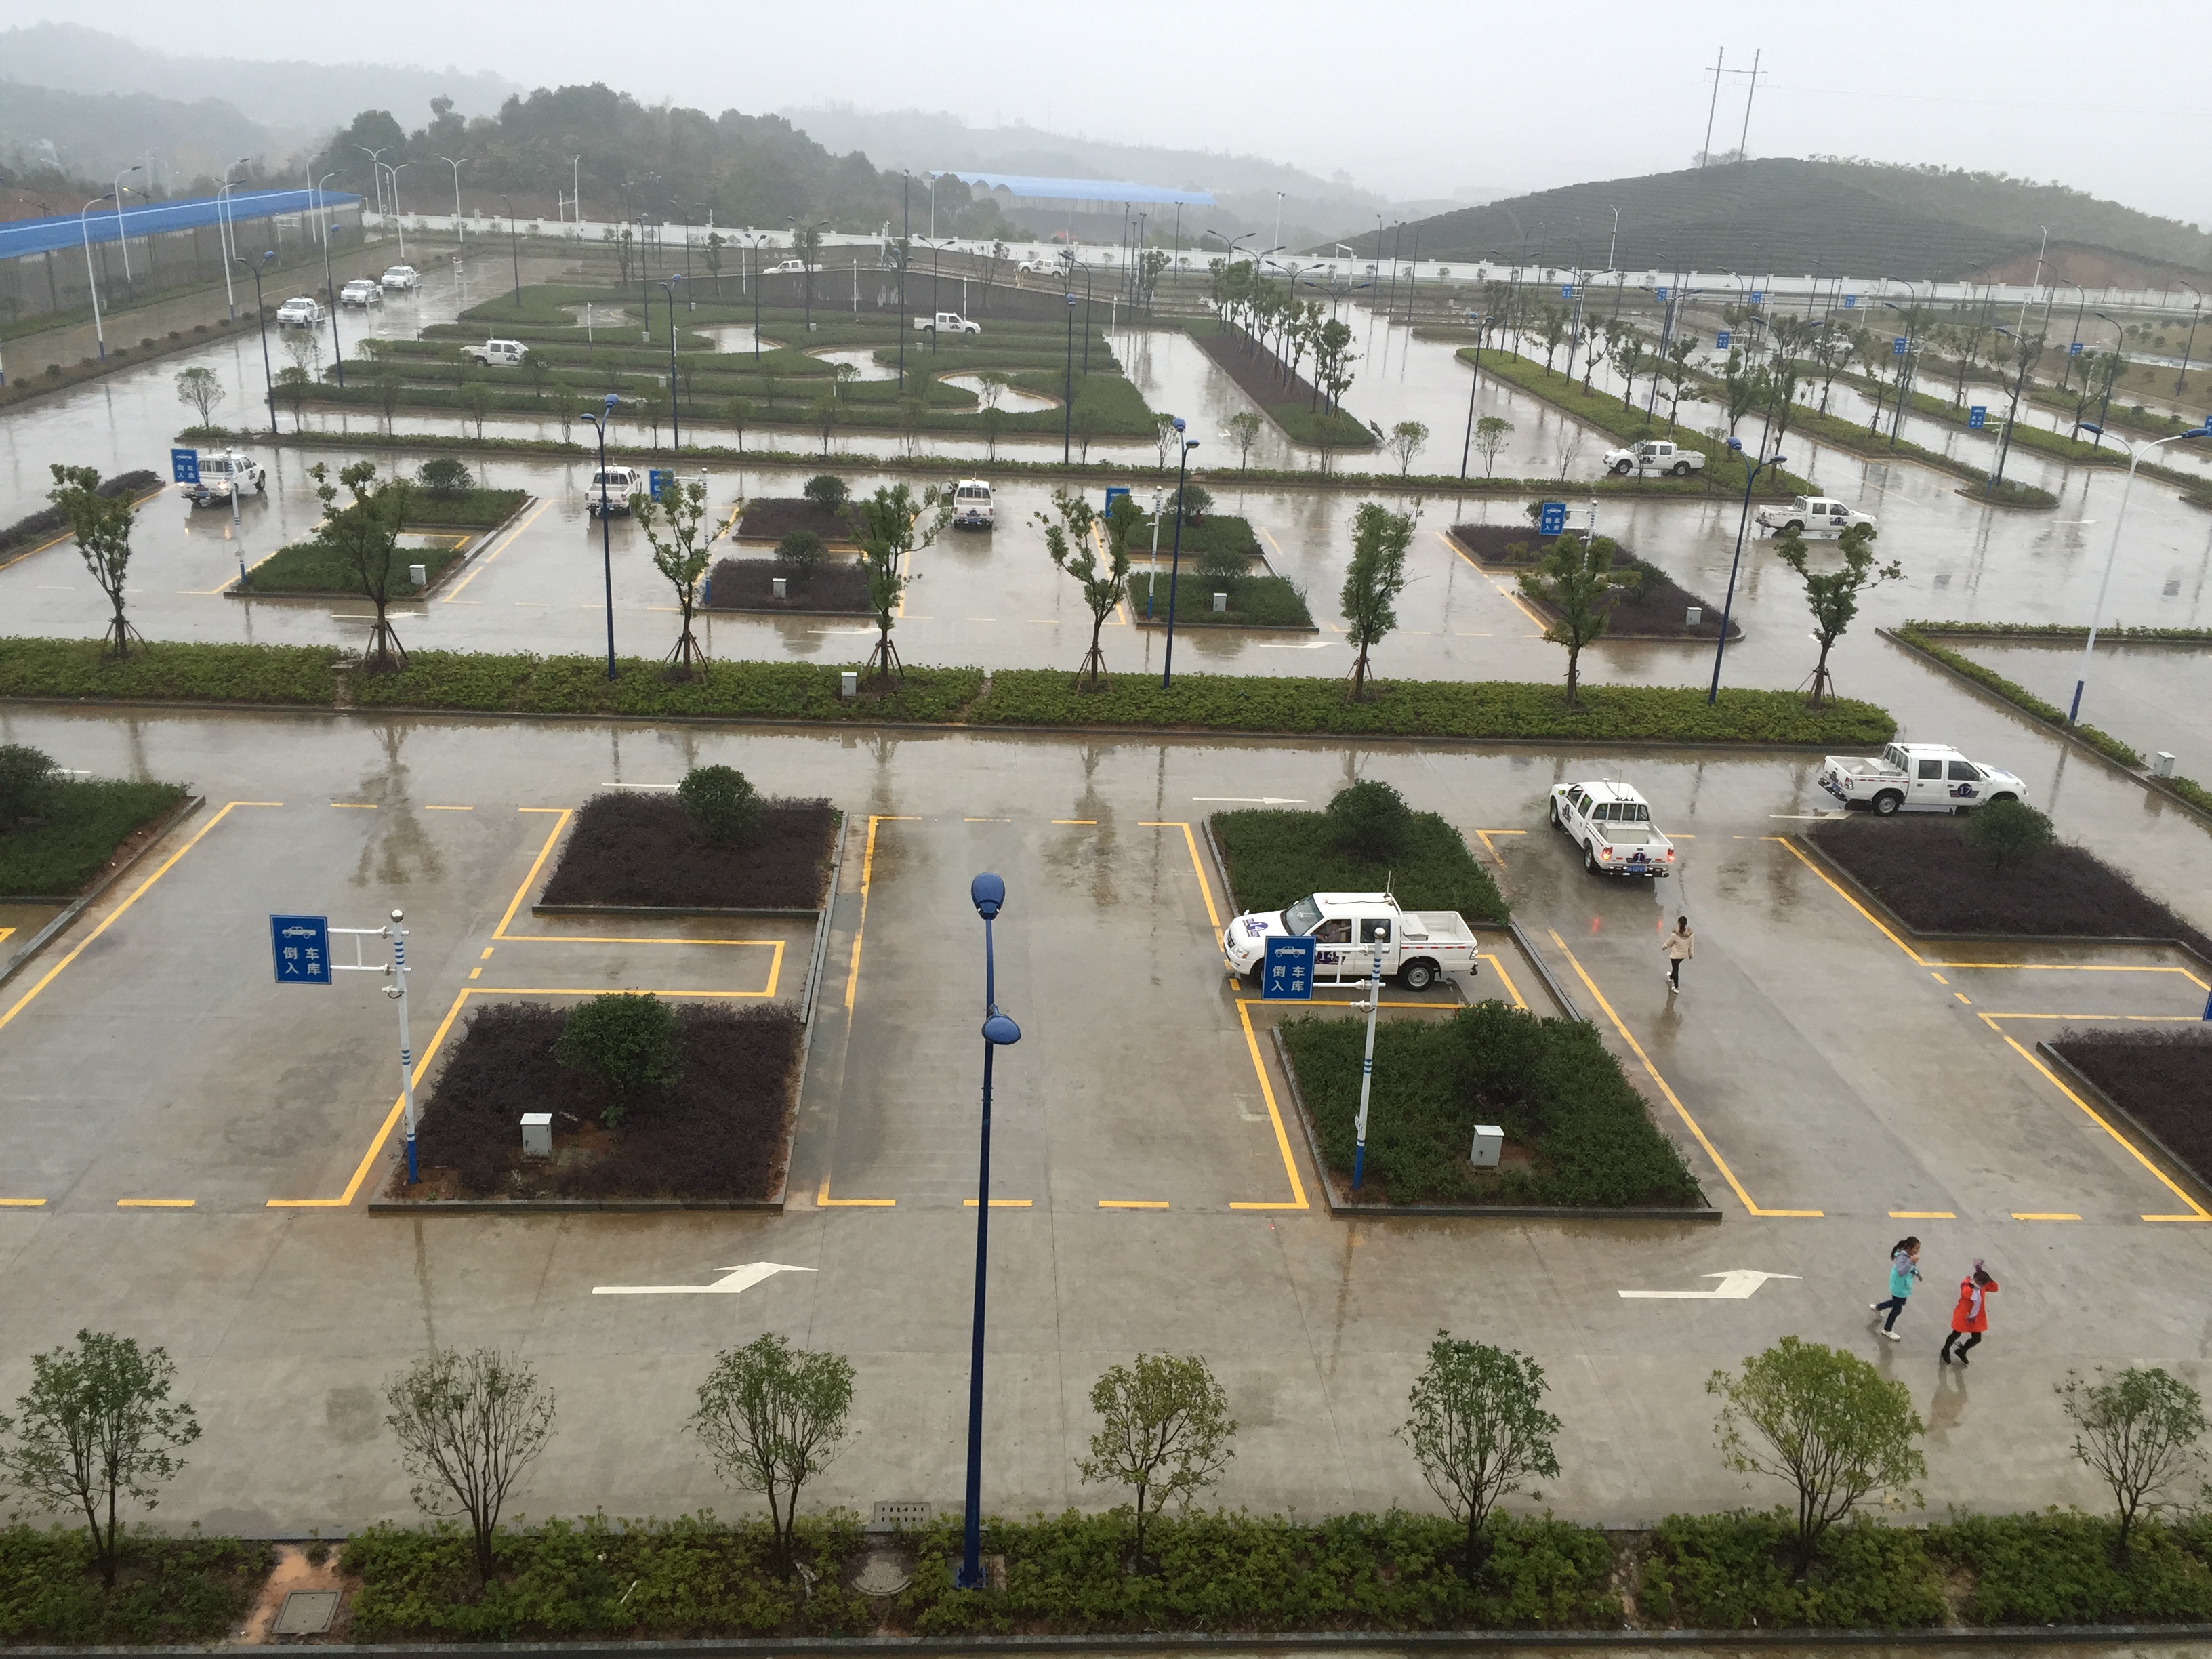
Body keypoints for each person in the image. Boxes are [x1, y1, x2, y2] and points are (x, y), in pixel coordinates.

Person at [1940, 1260, 1998, 1365]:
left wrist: (1989, 1279)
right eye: (1982, 1284)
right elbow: (1966, 1294)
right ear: (1977, 1281)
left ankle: (1962, 1350)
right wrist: (1972, 1286)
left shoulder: (1980, 1285)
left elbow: (1994, 1288)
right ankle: (1946, 1350)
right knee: (1956, 1334)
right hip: (1964, 1314)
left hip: (1976, 1315)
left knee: (1977, 1338)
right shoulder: (1967, 1285)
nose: (1983, 1287)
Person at [1870, 1236, 1921, 1340]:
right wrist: (1911, 1262)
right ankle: (1887, 1330)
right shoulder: (1902, 1258)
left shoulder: (1910, 1257)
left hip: (1904, 1286)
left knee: (1900, 1302)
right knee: (1897, 1309)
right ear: (1909, 1248)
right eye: (1916, 1248)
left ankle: (1878, 1307)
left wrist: (1917, 1273)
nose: (1918, 1251)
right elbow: (1901, 1273)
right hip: (1898, 1285)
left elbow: (1912, 1268)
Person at [1662, 916, 1694, 994]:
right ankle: (1671, 977)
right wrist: (1691, 954)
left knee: (1676, 969)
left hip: (1675, 955)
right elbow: (1691, 946)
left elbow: (1669, 943)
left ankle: (1676, 987)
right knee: (1675, 966)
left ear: (1679, 923)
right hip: (1683, 955)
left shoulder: (1675, 934)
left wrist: (1663, 947)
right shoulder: (1690, 935)